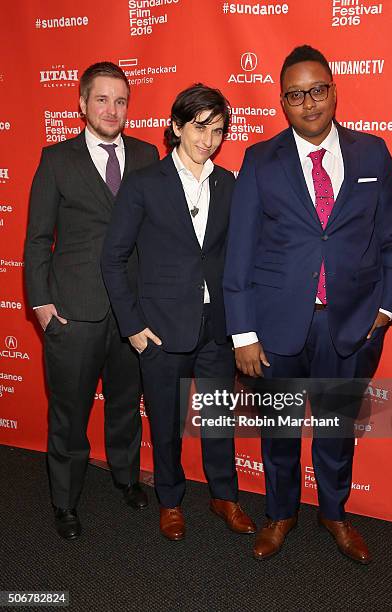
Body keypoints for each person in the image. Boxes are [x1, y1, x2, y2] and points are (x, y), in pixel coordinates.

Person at [223, 45, 392, 562]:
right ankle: (281, 514)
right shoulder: (260, 161)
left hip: (348, 326)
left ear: (334, 89)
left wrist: (386, 309)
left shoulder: (372, 153)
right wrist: (243, 333)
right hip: (276, 330)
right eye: (295, 94)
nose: (309, 102)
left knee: (335, 431)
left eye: (317, 89)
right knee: (279, 433)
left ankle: (334, 513)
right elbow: (238, 254)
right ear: (283, 102)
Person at [101, 84, 256, 541]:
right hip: (161, 332)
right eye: (199, 126)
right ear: (176, 127)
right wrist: (132, 326)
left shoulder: (230, 185)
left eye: (218, 129)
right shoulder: (145, 182)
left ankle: (224, 496)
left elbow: (236, 257)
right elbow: (113, 258)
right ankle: (170, 500)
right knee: (165, 423)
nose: (208, 139)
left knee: (217, 421)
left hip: (217, 329)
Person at [24, 62, 159, 540]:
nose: (111, 109)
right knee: (69, 412)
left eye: (120, 100)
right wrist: (41, 303)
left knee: (125, 403)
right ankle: (64, 501)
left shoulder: (147, 156)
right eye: (101, 99)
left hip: (130, 313)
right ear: (82, 104)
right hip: (73, 312)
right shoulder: (56, 159)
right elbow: (38, 239)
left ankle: (125, 477)